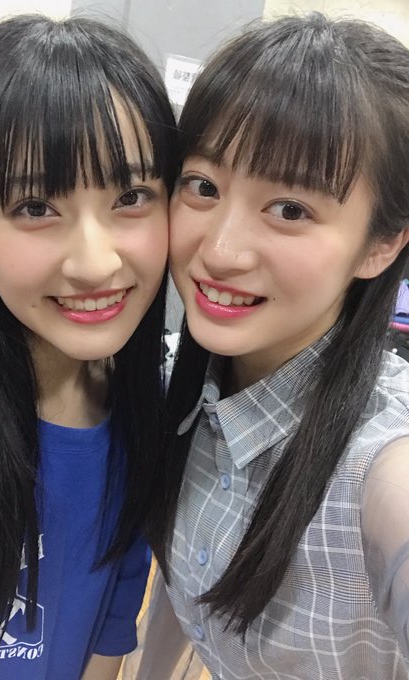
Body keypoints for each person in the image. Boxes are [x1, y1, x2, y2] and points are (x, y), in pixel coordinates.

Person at [0, 14, 177, 679]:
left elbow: (110, 632)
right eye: (34, 207)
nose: (94, 262)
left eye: (131, 195)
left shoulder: (142, 409)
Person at [145, 12, 409, 679]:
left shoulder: (380, 467)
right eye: (203, 186)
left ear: (381, 245)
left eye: (290, 209)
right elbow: (184, 587)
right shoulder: (182, 392)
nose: (220, 250)